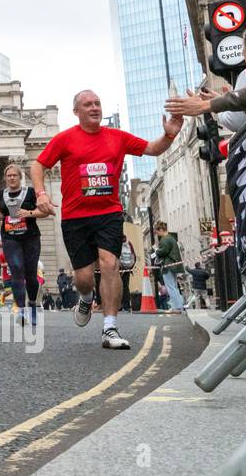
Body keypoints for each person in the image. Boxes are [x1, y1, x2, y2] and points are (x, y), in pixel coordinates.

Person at [32, 91, 181, 350]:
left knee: (110, 264)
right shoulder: (65, 139)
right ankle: (87, 297)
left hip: (108, 213)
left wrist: (169, 134)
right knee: (84, 278)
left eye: (97, 103)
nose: (94, 108)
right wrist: (41, 194)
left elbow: (152, 148)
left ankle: (110, 327)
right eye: (87, 104)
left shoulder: (117, 137)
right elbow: (38, 165)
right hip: (76, 217)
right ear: (76, 111)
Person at [0, 163, 43, 327]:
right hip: (10, 237)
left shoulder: (30, 193)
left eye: (15, 175)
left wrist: (29, 213)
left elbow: (45, 211)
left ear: (20, 177)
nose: (12, 178)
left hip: (30, 237)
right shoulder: (0, 195)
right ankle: (21, 311)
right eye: (9, 176)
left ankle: (33, 306)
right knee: (16, 269)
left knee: (30, 275)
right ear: (5, 178)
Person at [153, 222, 186, 314]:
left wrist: (156, 250)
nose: (157, 234)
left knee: (170, 287)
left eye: (157, 232)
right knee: (174, 286)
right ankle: (179, 306)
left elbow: (163, 252)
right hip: (174, 265)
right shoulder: (171, 238)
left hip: (168, 266)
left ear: (160, 230)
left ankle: (176, 307)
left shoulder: (165, 239)